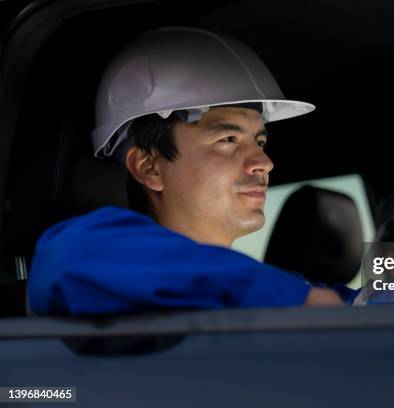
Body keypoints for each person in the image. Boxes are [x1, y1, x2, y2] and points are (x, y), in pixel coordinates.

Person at [27, 27, 357, 316]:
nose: (264, 162)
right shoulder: (101, 269)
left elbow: (388, 307)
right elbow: (67, 257)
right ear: (149, 167)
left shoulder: (280, 290)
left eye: (259, 141)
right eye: (229, 139)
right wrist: (289, 298)